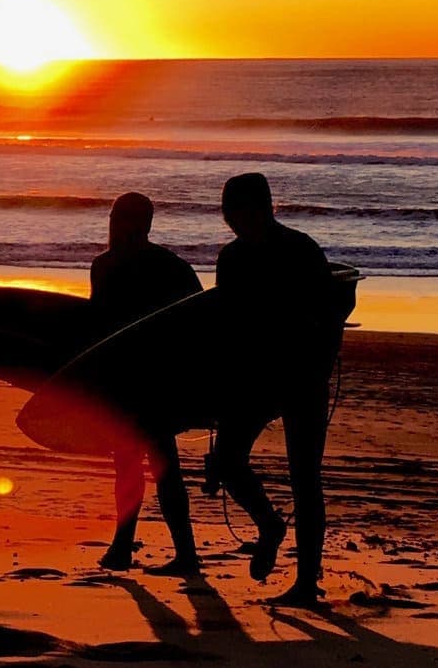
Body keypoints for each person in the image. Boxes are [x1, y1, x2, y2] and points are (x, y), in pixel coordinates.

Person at [205, 171, 345, 607]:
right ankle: (268, 525)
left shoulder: (301, 251)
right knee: (227, 462)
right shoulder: (230, 258)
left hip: (302, 376)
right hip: (252, 378)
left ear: (265, 208)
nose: (234, 220)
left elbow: (328, 315)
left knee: (305, 478)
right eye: (229, 213)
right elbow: (225, 326)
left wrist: (313, 363)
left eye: (241, 211)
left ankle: (306, 584)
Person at [88, 192, 203, 574]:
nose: (120, 226)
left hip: (147, 382)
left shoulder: (110, 266)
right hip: (142, 381)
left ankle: (169, 553)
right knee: (138, 466)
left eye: (123, 219)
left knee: (152, 466)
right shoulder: (168, 267)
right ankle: (138, 549)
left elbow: (97, 327)